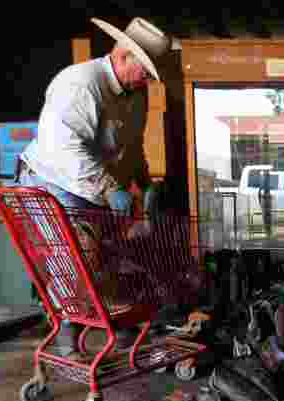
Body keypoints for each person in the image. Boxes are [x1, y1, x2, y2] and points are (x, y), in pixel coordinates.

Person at [16, 17, 174, 354]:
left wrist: (143, 182)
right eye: (143, 68)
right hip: (53, 181)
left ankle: (114, 321)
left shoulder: (136, 95)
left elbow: (132, 146)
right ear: (122, 55)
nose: (147, 77)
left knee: (109, 255)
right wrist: (108, 188)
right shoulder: (80, 84)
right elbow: (65, 148)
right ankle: (67, 329)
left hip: (93, 185)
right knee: (74, 257)